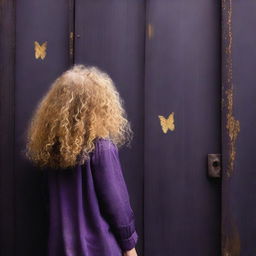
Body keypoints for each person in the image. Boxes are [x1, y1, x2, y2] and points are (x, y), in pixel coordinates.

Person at [25, 64, 139, 256]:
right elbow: (117, 205)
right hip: (101, 249)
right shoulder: (101, 148)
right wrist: (130, 248)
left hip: (60, 248)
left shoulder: (49, 150)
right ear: (98, 105)